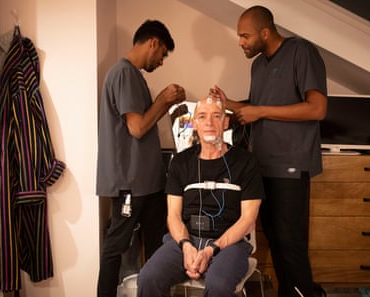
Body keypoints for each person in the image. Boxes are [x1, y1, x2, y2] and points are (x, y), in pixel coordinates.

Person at [210, 5, 328, 297]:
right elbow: (256, 109)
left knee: (291, 243)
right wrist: (230, 104)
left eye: (245, 36)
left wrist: (258, 111)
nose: (241, 42)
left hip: (290, 164)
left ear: (265, 32)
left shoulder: (301, 52)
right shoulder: (258, 65)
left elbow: (317, 108)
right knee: (275, 240)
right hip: (261, 167)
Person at [137, 96, 264, 297]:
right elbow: (174, 216)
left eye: (216, 116)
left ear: (225, 122)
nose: (209, 123)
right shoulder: (180, 163)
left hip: (229, 244)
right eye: (202, 116)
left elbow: (248, 220)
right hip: (185, 241)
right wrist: (186, 246)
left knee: (219, 286)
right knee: (148, 277)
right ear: (195, 123)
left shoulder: (246, 163)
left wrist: (212, 249)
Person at [96, 19, 186, 297]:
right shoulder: (123, 73)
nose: (161, 62)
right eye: (162, 55)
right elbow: (137, 128)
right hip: (129, 183)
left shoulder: (134, 75)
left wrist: (167, 104)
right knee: (116, 246)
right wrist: (162, 99)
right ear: (153, 43)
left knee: (159, 247)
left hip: (147, 182)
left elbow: (142, 124)